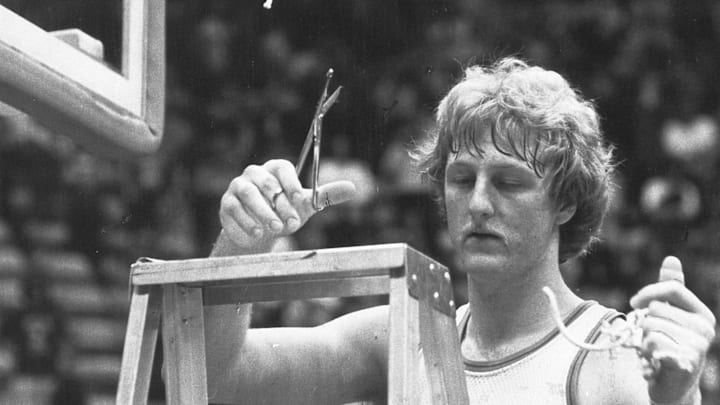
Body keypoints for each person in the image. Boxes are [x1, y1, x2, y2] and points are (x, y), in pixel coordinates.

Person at [203, 57, 716, 404]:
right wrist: (240, 248)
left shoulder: (608, 354)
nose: (478, 204)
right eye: (462, 178)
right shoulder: (402, 336)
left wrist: (675, 398)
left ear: (565, 203)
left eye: (510, 183)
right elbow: (217, 382)